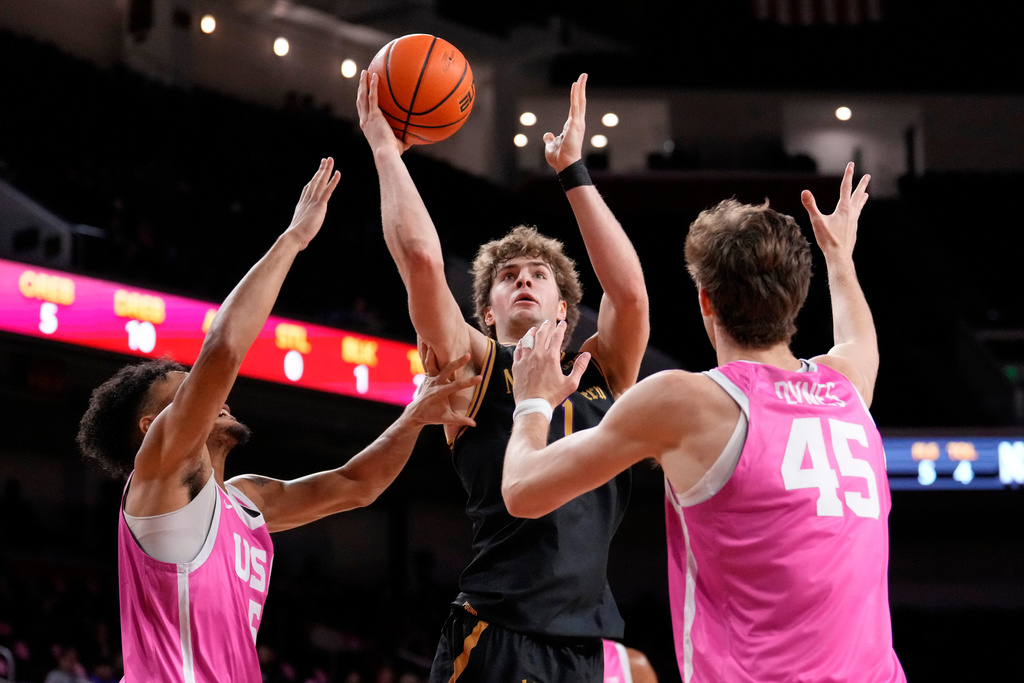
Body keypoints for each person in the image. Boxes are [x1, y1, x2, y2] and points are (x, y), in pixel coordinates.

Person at [75, 159, 480, 683]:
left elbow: (354, 485)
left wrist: (414, 417)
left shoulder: (245, 503)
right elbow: (221, 349)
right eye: (186, 392)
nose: (214, 397)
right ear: (151, 426)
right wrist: (292, 239)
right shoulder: (158, 482)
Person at [503, 163, 907, 682]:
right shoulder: (848, 387)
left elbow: (521, 491)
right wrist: (839, 256)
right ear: (796, 301)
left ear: (706, 301)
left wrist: (532, 402)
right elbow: (857, 338)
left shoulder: (686, 401)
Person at [356, 72, 650, 682]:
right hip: (498, 633)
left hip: (590, 643)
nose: (523, 279)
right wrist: (386, 150)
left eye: (539, 275)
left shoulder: (605, 369)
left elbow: (630, 292)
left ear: (566, 310)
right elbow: (421, 262)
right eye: (508, 275)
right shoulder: (475, 369)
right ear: (487, 312)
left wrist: (572, 170)